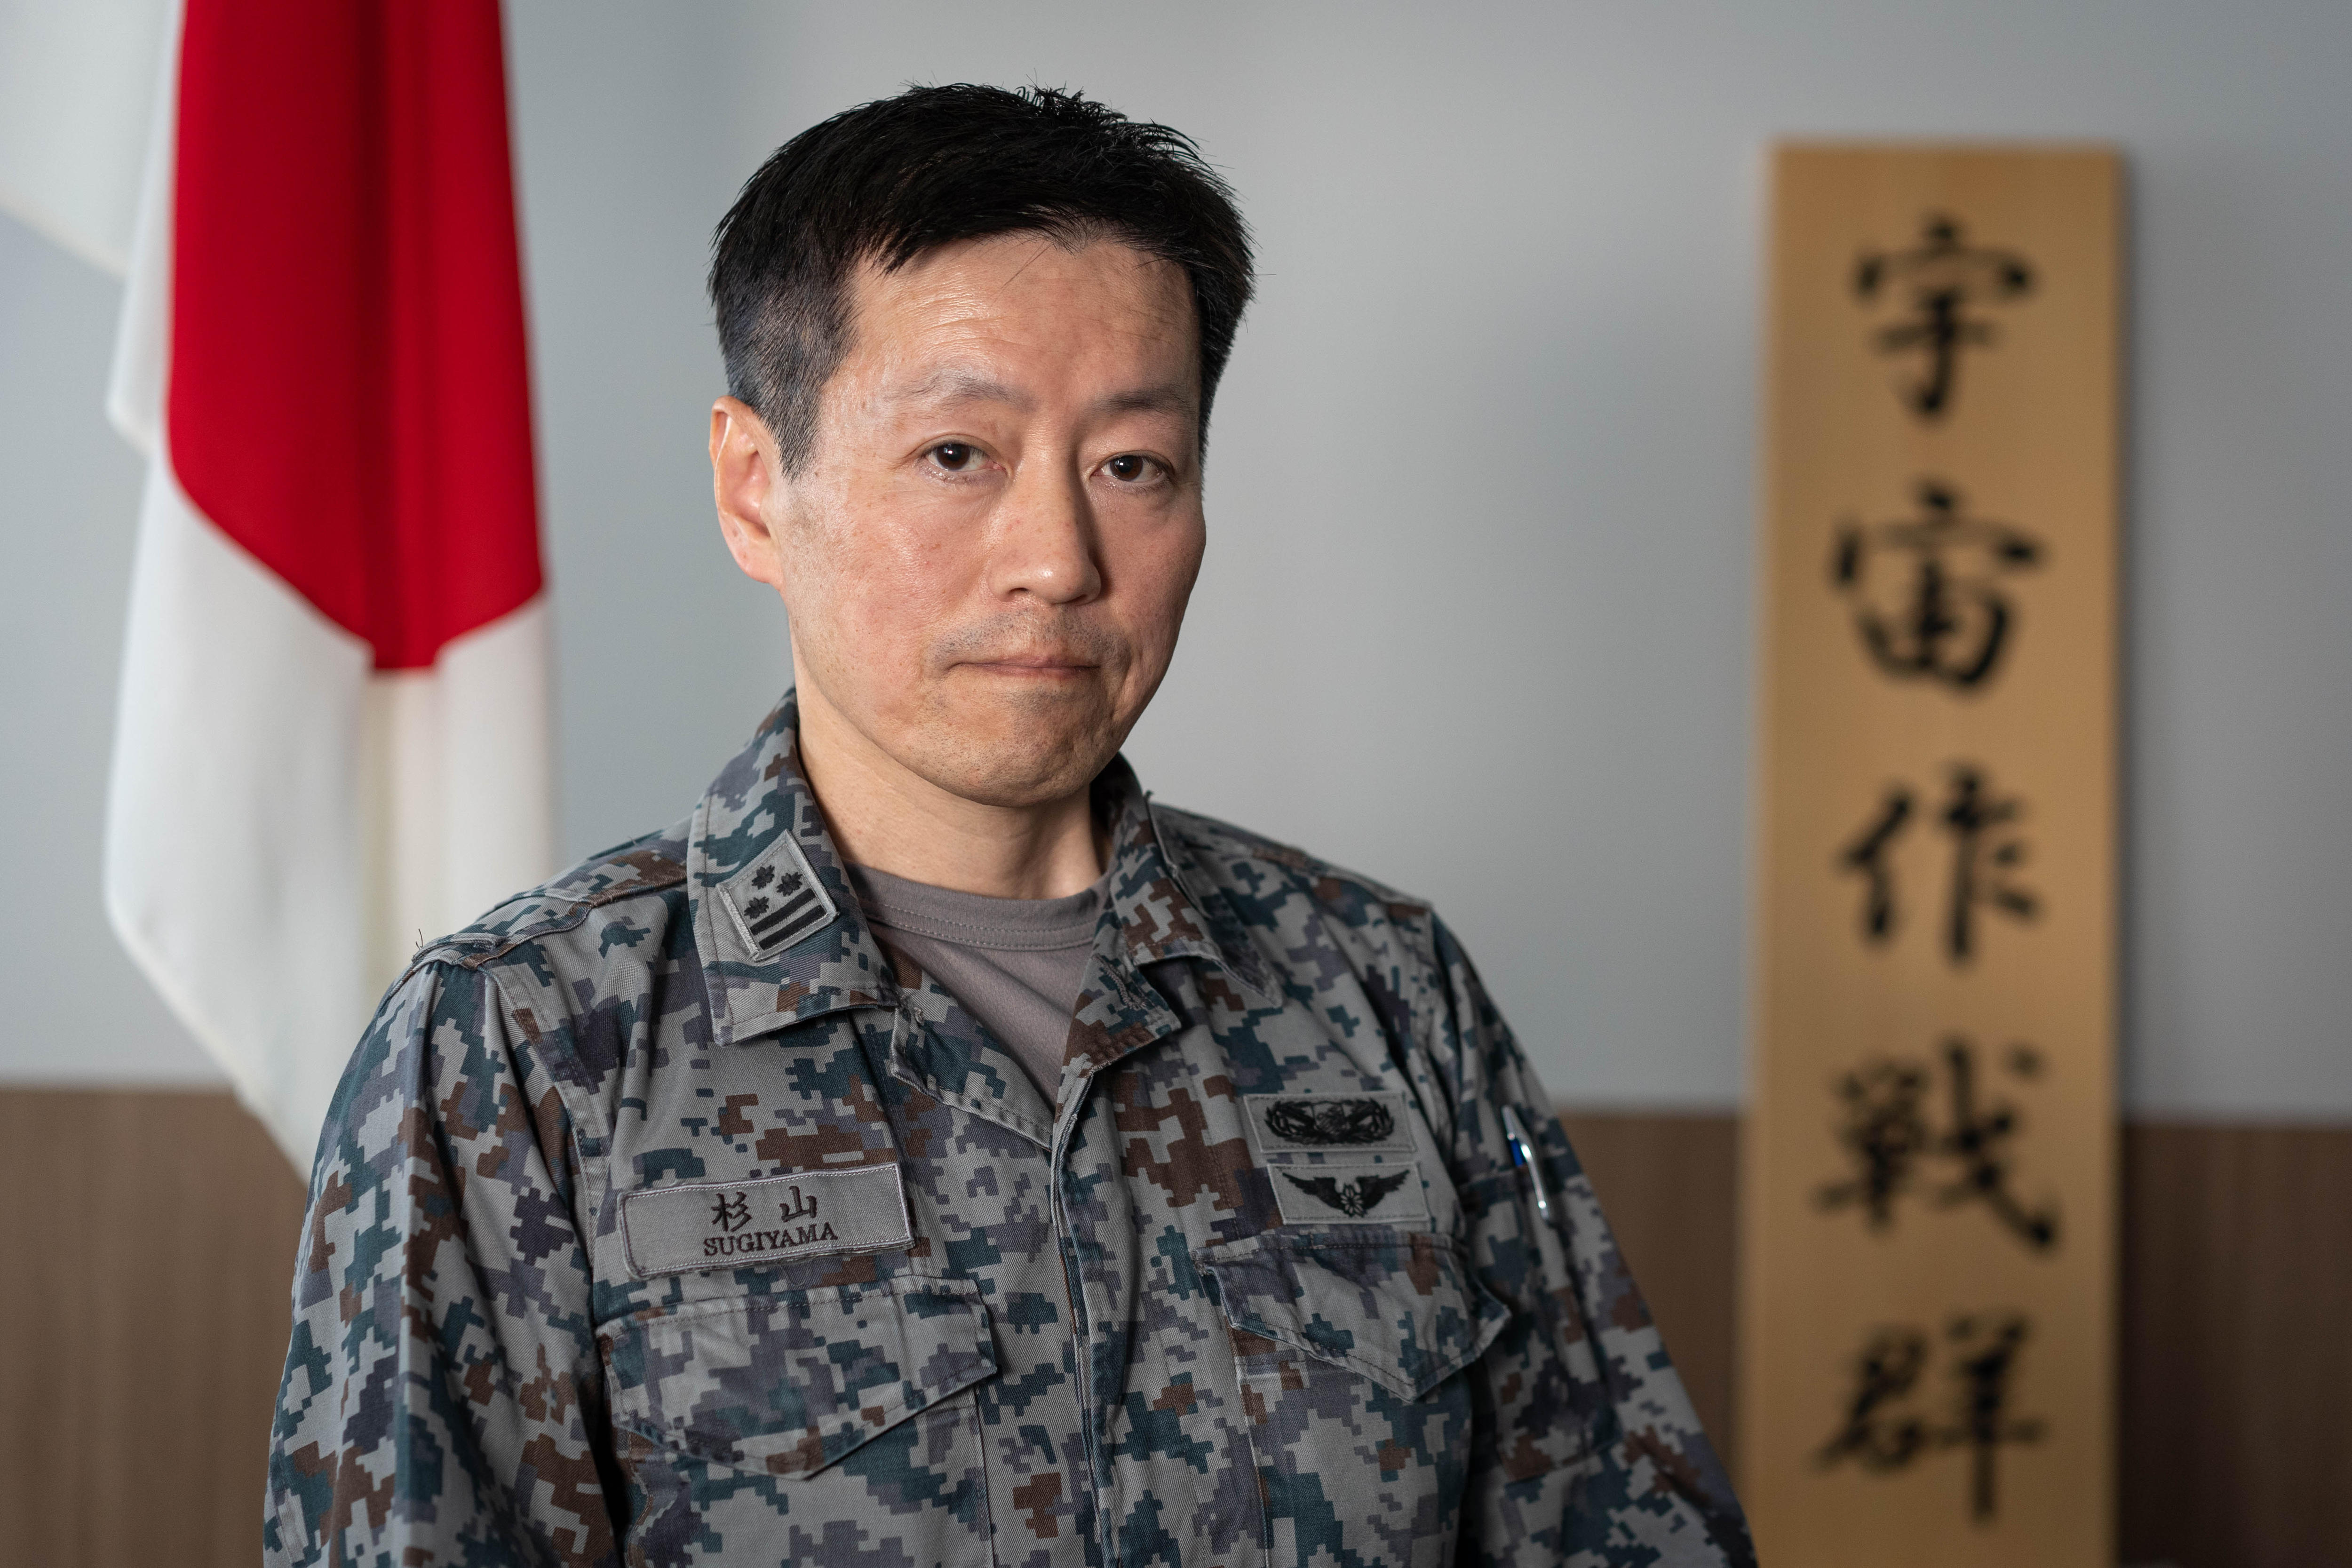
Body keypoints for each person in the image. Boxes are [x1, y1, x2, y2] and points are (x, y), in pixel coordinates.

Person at [264, 84, 1752, 1568]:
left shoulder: (1383, 993)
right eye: (958, 456)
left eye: (1131, 468)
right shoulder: (521, 1049)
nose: (1057, 559)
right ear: (753, 486)